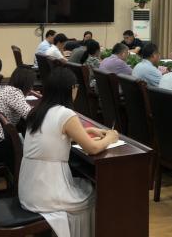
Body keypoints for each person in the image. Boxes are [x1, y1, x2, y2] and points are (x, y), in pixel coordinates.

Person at [19, 68, 119, 237]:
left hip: (29, 187)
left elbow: (53, 136)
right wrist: (110, 137)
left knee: (83, 184)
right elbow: (92, 148)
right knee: (92, 194)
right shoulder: (65, 113)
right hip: (47, 190)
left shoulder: (38, 111)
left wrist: (89, 131)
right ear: (71, 88)